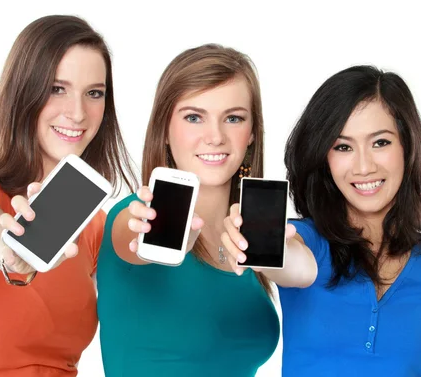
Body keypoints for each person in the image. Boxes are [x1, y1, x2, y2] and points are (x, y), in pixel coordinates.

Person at [95, 44, 317, 376]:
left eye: (233, 118)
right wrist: (159, 233)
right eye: (194, 117)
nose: (215, 137)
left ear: (252, 132)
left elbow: (304, 272)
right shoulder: (134, 214)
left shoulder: (256, 233)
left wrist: (284, 251)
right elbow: (135, 233)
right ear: (165, 131)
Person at [0, 15, 135, 376]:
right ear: (24, 92)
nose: (77, 113)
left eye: (94, 93)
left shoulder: (94, 227)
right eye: (58, 88)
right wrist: (7, 250)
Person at [279, 65, 421, 376]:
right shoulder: (303, 240)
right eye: (343, 147)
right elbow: (286, 261)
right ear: (324, 158)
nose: (363, 166)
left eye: (380, 142)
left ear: (407, 146)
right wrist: (256, 243)